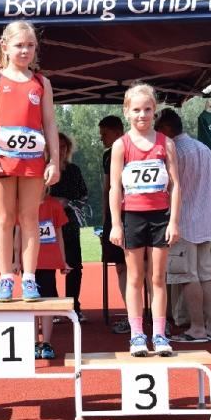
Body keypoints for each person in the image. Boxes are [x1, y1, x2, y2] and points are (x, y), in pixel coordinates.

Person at [0, 20, 60, 302]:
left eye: (30, 45)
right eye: (19, 45)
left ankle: (29, 278)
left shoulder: (41, 83)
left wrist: (54, 160)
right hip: (2, 161)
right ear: (5, 46)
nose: (25, 51)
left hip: (33, 162)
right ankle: (5, 277)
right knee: (4, 218)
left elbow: (50, 124)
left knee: (29, 218)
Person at [109, 84, 180, 357]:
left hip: (160, 216)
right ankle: (137, 335)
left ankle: (159, 334)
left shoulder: (166, 143)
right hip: (133, 216)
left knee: (158, 278)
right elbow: (114, 188)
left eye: (147, 109)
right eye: (136, 110)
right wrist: (116, 223)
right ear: (126, 111)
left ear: (155, 111)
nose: (142, 115)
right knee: (135, 277)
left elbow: (175, 185)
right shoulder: (121, 145)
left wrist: (174, 221)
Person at [154, 109, 211, 343]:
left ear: (166, 129)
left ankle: (197, 328)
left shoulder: (172, 151)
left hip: (183, 223)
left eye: (158, 130)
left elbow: (167, 187)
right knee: (205, 276)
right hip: (206, 222)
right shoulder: (203, 148)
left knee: (188, 276)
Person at [13, 186, 69, 360]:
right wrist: (16, 259)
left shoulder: (54, 205)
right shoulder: (22, 205)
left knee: (46, 303)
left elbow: (59, 235)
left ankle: (46, 343)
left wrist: (63, 260)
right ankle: (33, 342)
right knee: (31, 302)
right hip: (28, 263)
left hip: (48, 262)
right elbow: (18, 233)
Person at [49, 132, 88, 321]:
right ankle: (54, 307)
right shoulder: (43, 169)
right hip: (47, 227)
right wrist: (55, 203)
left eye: (64, 146)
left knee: (74, 267)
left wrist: (70, 203)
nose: (61, 150)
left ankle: (73, 307)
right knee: (47, 267)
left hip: (70, 225)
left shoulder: (74, 170)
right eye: (57, 146)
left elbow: (84, 196)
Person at [98, 115, 129, 333]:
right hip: (116, 216)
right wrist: (106, 218)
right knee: (121, 267)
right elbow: (107, 187)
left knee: (141, 268)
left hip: (132, 214)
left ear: (118, 132)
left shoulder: (128, 150)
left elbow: (110, 187)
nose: (101, 138)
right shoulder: (107, 155)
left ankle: (151, 317)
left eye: (104, 134)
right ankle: (133, 315)